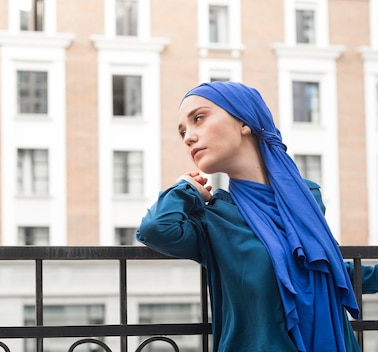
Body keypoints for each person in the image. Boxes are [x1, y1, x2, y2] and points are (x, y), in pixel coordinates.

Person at [136, 81, 376, 351]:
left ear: (244, 122)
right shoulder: (215, 217)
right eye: (183, 133)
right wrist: (186, 187)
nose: (189, 137)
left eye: (198, 118)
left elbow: (325, 269)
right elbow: (156, 229)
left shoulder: (306, 197)